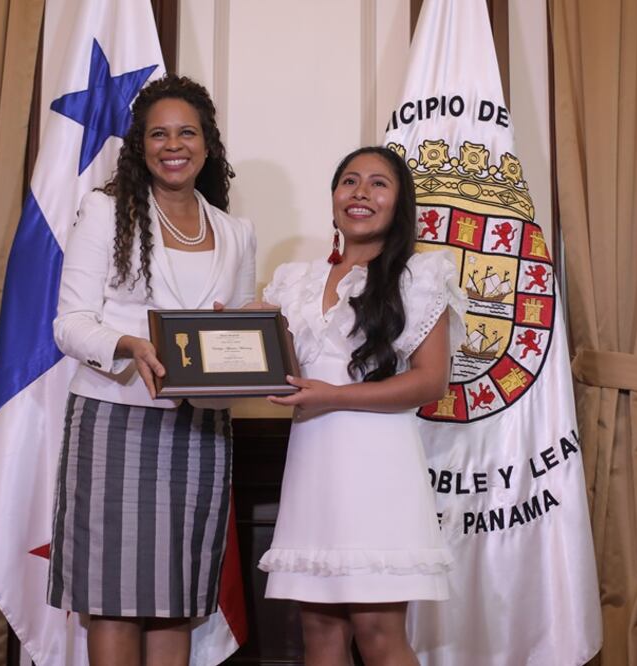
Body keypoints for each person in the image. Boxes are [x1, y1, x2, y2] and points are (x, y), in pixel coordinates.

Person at [48, 74, 256, 666]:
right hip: (116, 420)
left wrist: (259, 327)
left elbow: (236, 327)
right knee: (113, 599)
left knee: (176, 597)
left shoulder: (236, 233)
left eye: (187, 132)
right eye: (159, 133)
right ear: (140, 146)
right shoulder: (106, 212)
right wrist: (131, 344)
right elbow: (70, 324)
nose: (174, 144)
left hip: (201, 431)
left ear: (208, 144)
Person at [257, 146, 467, 665]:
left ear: (399, 204)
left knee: (378, 632)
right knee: (320, 631)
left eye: (378, 184)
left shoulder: (419, 276)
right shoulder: (294, 281)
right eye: (349, 181)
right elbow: (256, 349)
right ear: (333, 198)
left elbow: (430, 381)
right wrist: (220, 331)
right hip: (313, 464)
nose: (361, 193)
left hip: (380, 465)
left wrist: (332, 396)